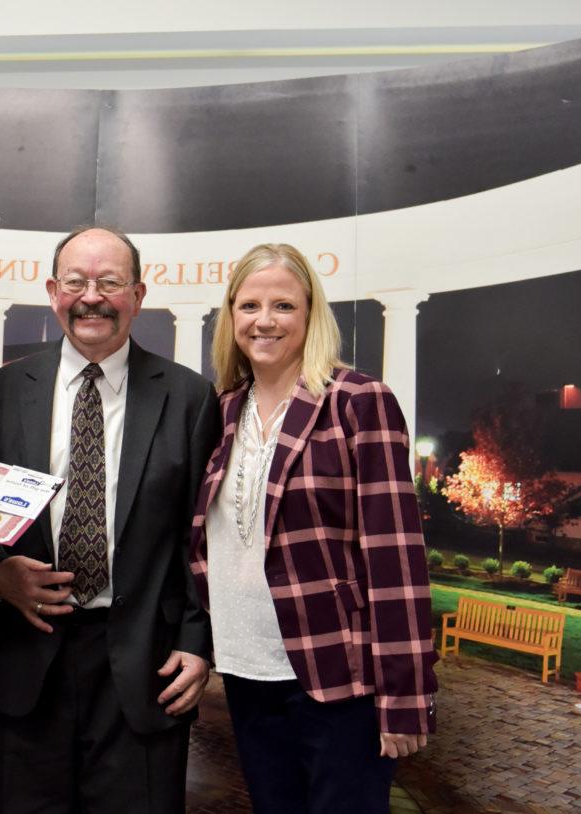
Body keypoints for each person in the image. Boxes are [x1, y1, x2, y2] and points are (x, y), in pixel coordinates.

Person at [0, 226, 221, 813]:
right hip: (27, 662)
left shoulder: (189, 398)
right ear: (53, 291)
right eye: (75, 281)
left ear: (139, 293)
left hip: (146, 672)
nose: (91, 297)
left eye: (109, 282)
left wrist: (197, 642)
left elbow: (201, 538)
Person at [188, 243, 438, 813]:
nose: (265, 321)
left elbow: (395, 555)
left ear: (310, 314)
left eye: (284, 305)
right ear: (231, 317)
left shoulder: (356, 400)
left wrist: (404, 693)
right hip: (247, 673)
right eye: (249, 305)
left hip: (338, 679)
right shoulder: (224, 410)